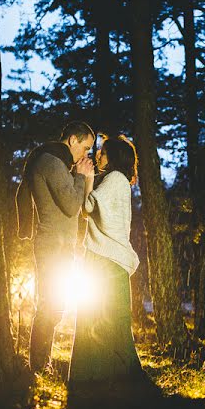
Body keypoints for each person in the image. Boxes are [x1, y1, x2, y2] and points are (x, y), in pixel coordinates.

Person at [17, 121, 96, 373]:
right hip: (51, 247)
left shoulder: (59, 163)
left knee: (55, 306)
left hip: (60, 247)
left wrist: (81, 177)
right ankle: (38, 366)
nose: (86, 154)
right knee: (49, 307)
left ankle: (41, 363)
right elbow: (72, 204)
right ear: (73, 140)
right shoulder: (51, 162)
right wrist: (81, 177)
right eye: (85, 147)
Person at [68, 135, 144, 385]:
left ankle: (94, 375)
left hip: (105, 258)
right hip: (112, 260)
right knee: (111, 320)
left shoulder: (114, 179)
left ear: (113, 156)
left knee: (97, 318)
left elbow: (88, 207)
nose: (97, 156)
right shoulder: (121, 182)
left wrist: (87, 178)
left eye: (102, 152)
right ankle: (110, 375)